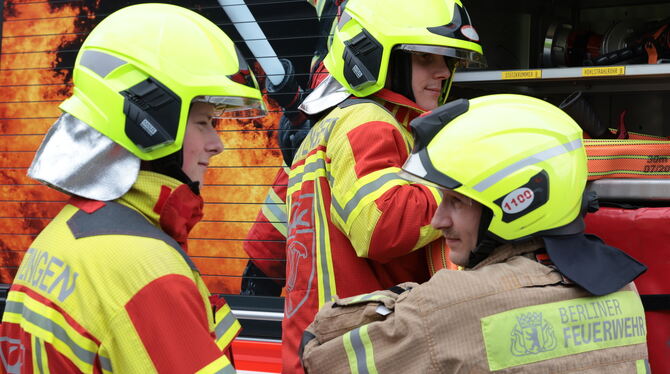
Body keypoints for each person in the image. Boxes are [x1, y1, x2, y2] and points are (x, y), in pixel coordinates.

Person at [0, 3, 265, 373]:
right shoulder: (144, 269)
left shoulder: (61, 237)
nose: (217, 144)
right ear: (151, 121)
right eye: (204, 123)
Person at [300, 94, 649, 373]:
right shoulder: (623, 289)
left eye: (455, 201)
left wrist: (401, 302)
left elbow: (318, 356)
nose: (437, 220)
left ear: (517, 201)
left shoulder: (440, 308)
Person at [273, 0, 486, 372]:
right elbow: (382, 228)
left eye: (448, 61)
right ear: (374, 58)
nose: (443, 72)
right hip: (356, 351)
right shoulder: (369, 122)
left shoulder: (328, 127)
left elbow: (270, 241)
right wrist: (461, 178)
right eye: (425, 59)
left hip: (321, 346)